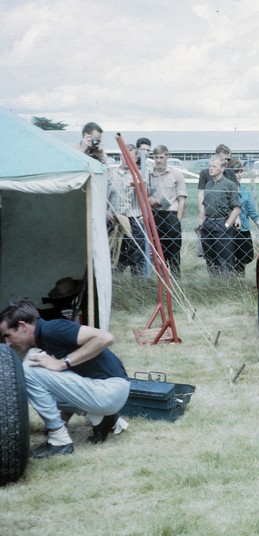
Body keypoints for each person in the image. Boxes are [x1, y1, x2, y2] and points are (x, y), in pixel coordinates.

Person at [0, 299, 130, 458]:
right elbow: (64, 383)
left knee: (28, 370)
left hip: (110, 390)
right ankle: (100, 418)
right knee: (34, 361)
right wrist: (62, 419)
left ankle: (59, 441)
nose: (7, 344)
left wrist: (63, 363)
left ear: (22, 326)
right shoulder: (43, 340)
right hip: (106, 392)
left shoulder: (52, 329)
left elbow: (106, 338)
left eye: (8, 336)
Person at [148, 145, 187, 277]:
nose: (158, 160)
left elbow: (181, 199)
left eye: (161, 157)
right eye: (156, 157)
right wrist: (150, 199)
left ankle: (175, 279)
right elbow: (143, 194)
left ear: (167, 156)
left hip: (171, 215)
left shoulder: (176, 174)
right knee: (157, 252)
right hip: (155, 215)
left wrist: (177, 221)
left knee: (174, 253)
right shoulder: (148, 175)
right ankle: (160, 279)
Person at [107, 143, 146, 275]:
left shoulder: (139, 175)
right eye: (124, 156)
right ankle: (116, 281)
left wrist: (140, 187)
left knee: (137, 253)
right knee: (114, 252)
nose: (126, 159)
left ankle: (137, 282)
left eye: (130, 157)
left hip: (132, 219)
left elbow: (146, 196)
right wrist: (105, 211)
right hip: (114, 219)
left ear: (136, 159)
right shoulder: (110, 174)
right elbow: (103, 195)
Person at [200, 155, 241, 274]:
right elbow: (205, 206)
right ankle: (213, 281)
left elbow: (236, 208)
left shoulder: (230, 185)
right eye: (210, 166)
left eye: (214, 166)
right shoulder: (208, 185)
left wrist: (227, 225)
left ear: (222, 168)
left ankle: (226, 282)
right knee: (210, 257)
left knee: (225, 258)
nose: (211, 169)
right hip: (208, 224)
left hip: (222, 223)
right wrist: (203, 223)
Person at [229, 159, 259, 274]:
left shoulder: (244, 190)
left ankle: (239, 276)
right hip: (230, 230)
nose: (239, 174)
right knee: (232, 257)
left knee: (247, 256)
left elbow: (251, 209)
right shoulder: (226, 189)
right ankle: (232, 279)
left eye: (241, 171)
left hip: (244, 228)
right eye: (236, 172)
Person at [197, 144, 236, 226]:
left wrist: (236, 218)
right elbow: (201, 196)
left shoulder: (230, 173)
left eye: (228, 159)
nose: (226, 162)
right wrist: (202, 216)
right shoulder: (205, 173)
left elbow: (235, 198)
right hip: (209, 216)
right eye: (224, 159)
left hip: (227, 216)